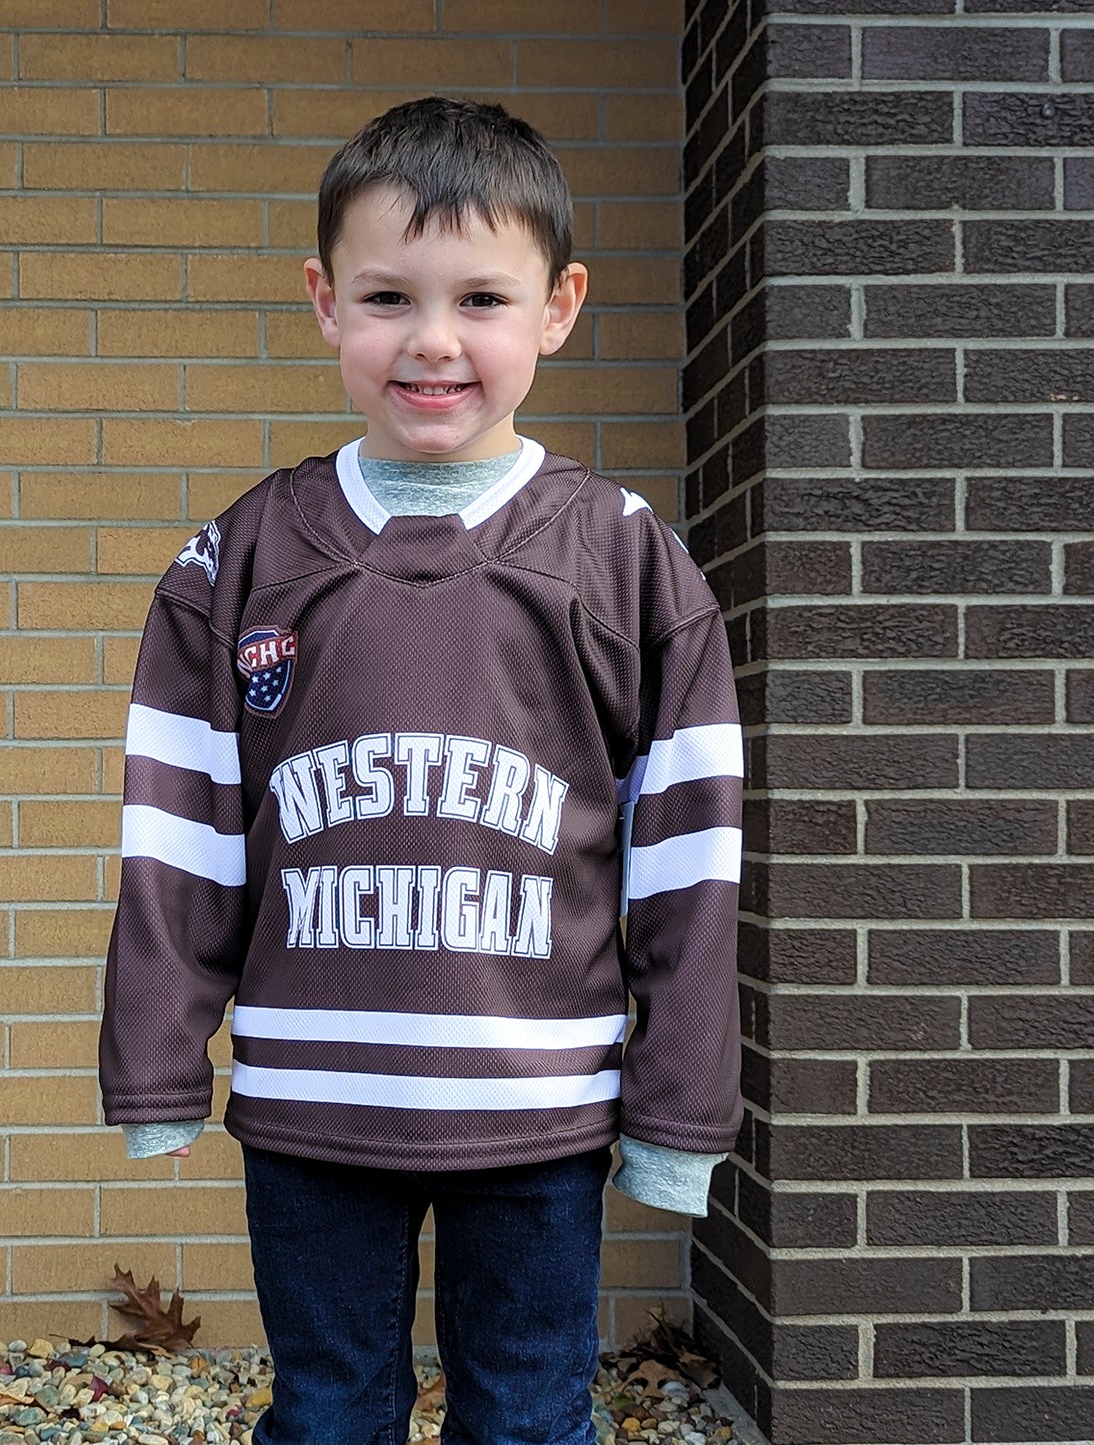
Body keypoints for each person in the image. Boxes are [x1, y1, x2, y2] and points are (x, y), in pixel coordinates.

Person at [99, 95, 744, 1445]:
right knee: (329, 1412)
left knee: (523, 1416)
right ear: (326, 302)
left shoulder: (625, 561)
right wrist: (157, 1062)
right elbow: (179, 835)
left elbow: (685, 865)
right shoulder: (242, 559)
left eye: (481, 298)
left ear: (557, 306)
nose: (433, 340)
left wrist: (677, 1106)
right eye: (388, 295)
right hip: (311, 1107)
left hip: (538, 1108)